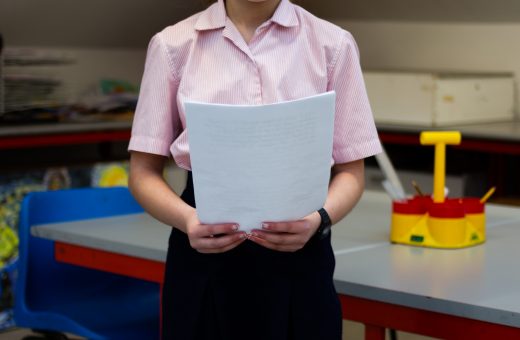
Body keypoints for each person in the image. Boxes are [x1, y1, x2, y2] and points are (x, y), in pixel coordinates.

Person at [128, 0, 382, 339]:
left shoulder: (333, 44)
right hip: (203, 246)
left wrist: (320, 219)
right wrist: (187, 219)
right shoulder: (172, 45)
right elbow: (142, 173)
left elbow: (352, 172)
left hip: (300, 245)